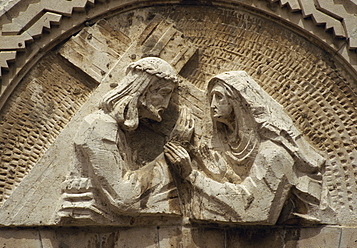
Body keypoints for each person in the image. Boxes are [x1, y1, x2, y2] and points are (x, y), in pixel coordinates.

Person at [166, 71, 325, 224]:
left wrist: (192, 175)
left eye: (219, 97)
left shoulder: (275, 154)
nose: (212, 105)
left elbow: (252, 210)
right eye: (211, 98)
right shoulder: (227, 149)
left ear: (238, 101)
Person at [58, 57, 181, 221]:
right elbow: (123, 198)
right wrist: (170, 157)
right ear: (142, 90)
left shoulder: (117, 129)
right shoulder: (99, 126)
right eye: (164, 93)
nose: (166, 104)